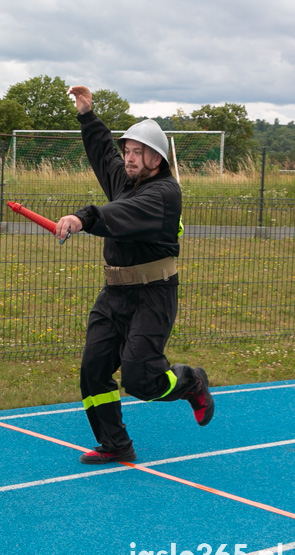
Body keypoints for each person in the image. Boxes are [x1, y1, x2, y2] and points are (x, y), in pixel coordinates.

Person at [54, 85, 215, 465]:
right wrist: (87, 115)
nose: (128, 157)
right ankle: (115, 444)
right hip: (114, 294)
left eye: (137, 152)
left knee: (142, 379)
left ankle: (191, 382)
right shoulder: (125, 178)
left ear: (156, 159)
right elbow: (101, 154)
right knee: (94, 371)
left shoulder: (163, 194)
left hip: (153, 294)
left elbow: (119, 215)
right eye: (127, 150)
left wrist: (83, 217)